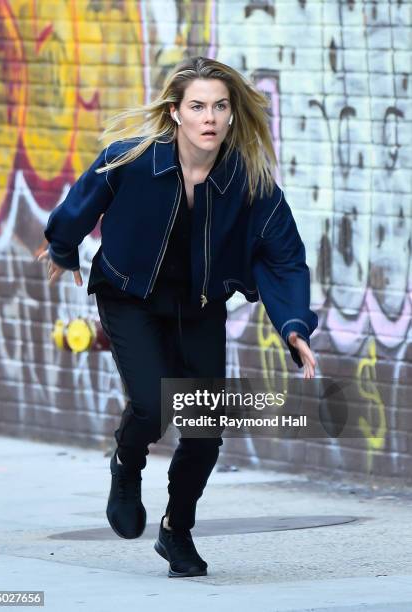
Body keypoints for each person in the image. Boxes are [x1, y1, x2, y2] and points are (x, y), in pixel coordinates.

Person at [38, 56, 318, 578]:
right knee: (152, 402)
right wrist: (62, 247)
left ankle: (176, 529)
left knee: (207, 430)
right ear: (175, 113)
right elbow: (81, 202)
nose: (209, 117)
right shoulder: (132, 161)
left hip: (201, 306)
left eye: (219, 106)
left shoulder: (248, 181)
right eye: (197, 107)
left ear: (232, 114)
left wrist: (295, 325)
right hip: (129, 296)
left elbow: (284, 255)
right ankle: (127, 464)